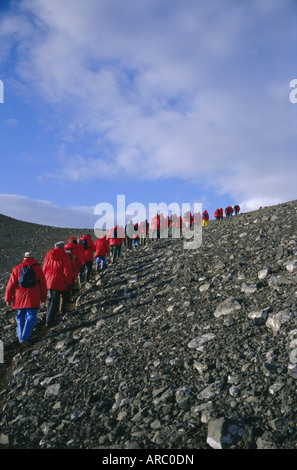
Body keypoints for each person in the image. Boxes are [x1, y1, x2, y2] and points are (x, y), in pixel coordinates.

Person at [5, 251, 47, 346]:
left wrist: (8, 298)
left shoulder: (17, 269)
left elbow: (10, 285)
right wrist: (43, 298)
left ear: (24, 258)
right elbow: (43, 285)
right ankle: (26, 337)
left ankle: (21, 338)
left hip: (19, 296)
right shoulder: (38, 270)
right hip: (33, 295)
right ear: (33, 259)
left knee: (20, 316)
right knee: (31, 316)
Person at [43, 241, 73, 327]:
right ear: (63, 247)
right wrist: (69, 282)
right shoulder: (65, 255)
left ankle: (48, 318)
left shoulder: (48, 255)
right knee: (54, 300)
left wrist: (44, 279)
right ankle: (49, 321)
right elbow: (67, 271)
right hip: (58, 279)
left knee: (49, 299)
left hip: (48, 278)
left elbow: (44, 268)